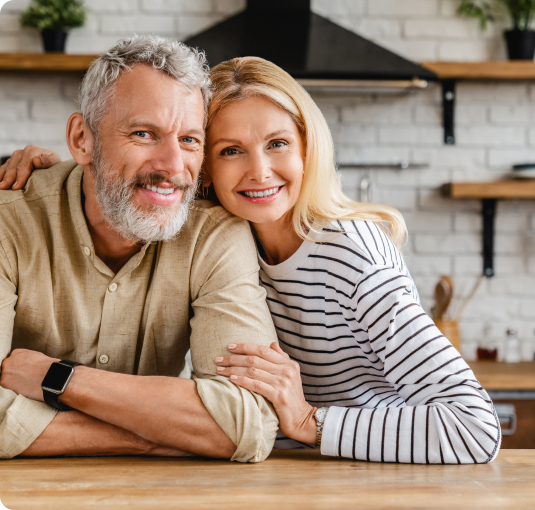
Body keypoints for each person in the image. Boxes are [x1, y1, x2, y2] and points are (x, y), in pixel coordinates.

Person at [3, 57, 501, 464]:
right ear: (206, 172)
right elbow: (134, 175)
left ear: (308, 147)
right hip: (279, 475)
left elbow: (475, 427)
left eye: (278, 143)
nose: (259, 170)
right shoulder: (218, 231)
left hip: (372, 475)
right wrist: (62, 168)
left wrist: (308, 421)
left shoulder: (353, 256)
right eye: (231, 150)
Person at [0, 37, 279, 462]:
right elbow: (224, 430)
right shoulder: (8, 221)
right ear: (82, 139)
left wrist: (58, 379)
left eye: (189, 140)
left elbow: (248, 423)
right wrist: (153, 436)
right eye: (144, 133)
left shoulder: (215, 235)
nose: (171, 165)